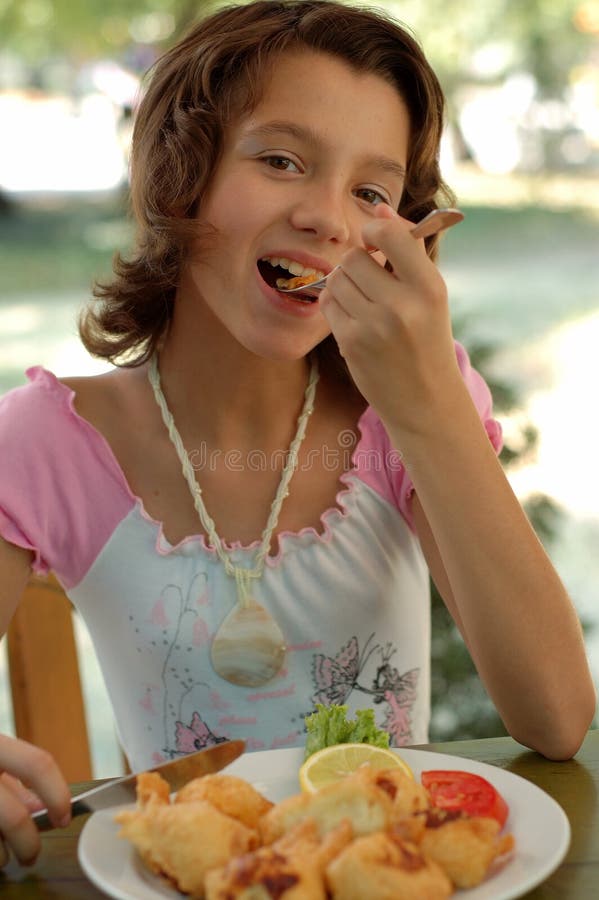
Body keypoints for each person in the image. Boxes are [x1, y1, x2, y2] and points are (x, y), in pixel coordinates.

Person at [0, 0, 595, 867]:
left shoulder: (409, 413)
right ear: (180, 172)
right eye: (281, 160)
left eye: (371, 193)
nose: (329, 218)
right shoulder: (47, 442)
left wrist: (424, 399)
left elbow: (554, 716)